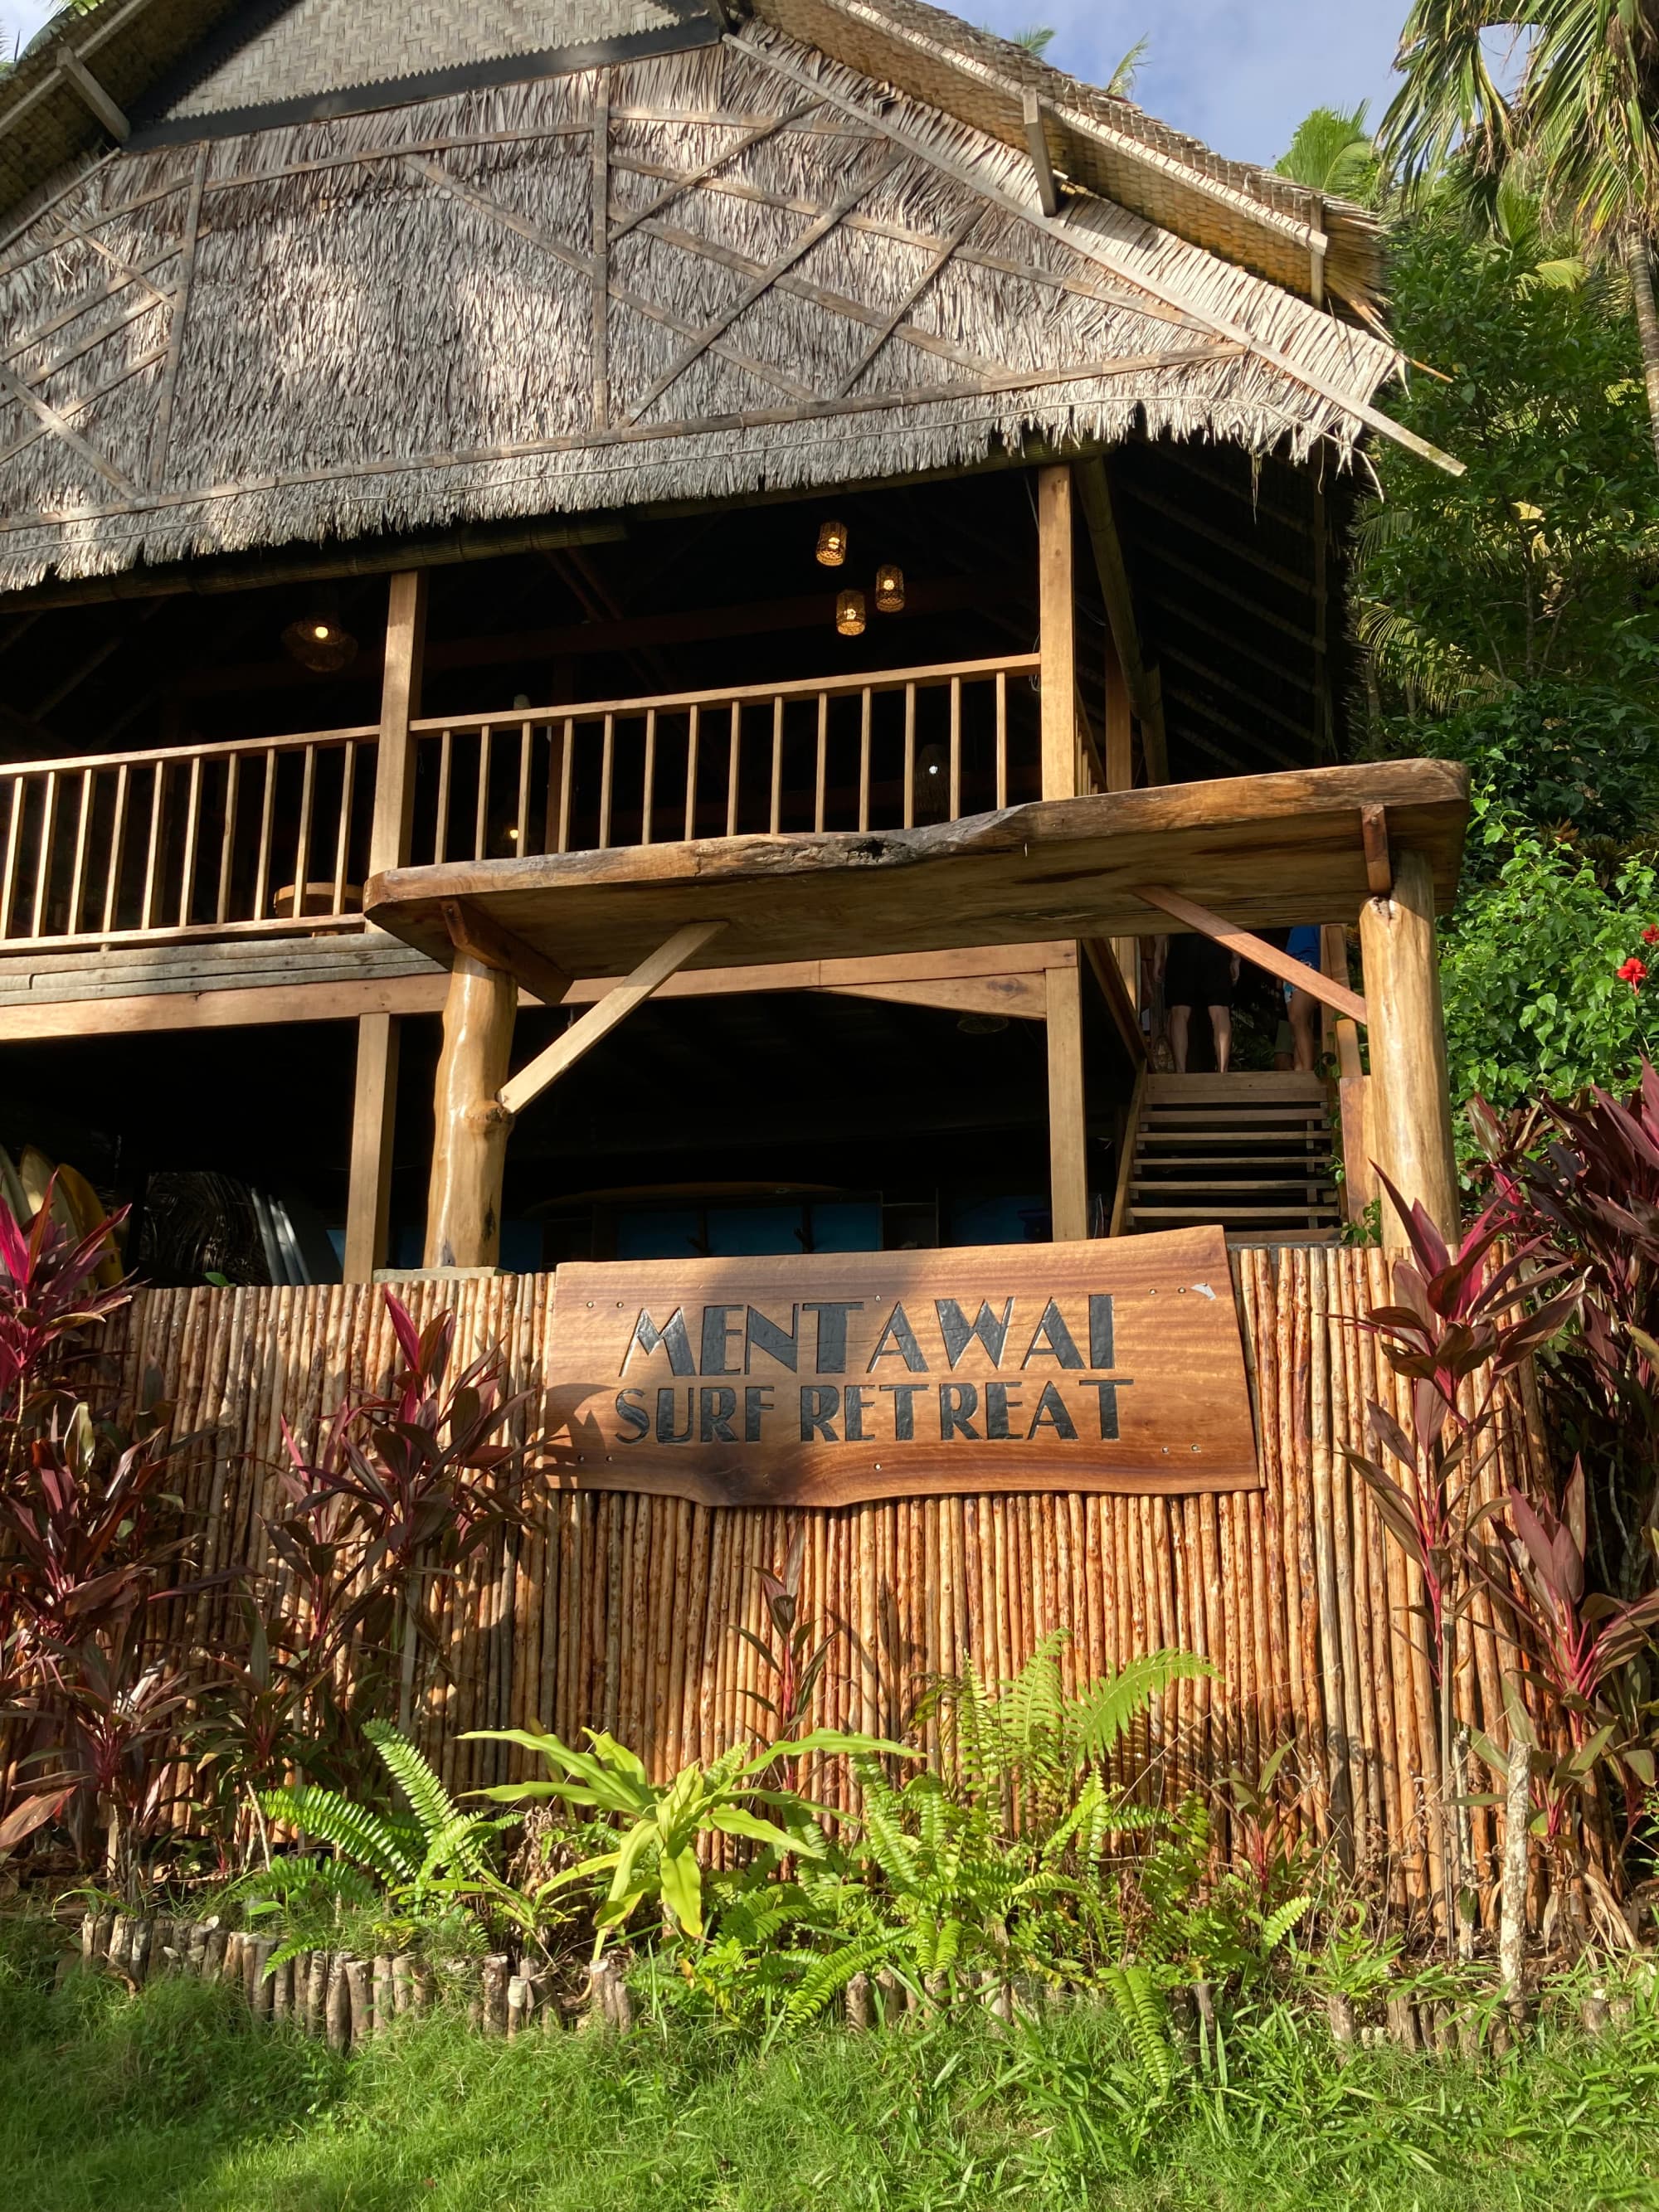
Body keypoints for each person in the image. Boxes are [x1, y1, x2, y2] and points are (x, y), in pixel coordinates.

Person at [1159, 931, 1239, 1073]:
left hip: (1183, 943)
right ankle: (1222, 1071)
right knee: (1219, 1010)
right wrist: (1236, 955)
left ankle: (1180, 1071)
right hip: (1217, 940)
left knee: (1179, 1010)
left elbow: (1162, 921)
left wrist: (1158, 952)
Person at [1284, 924, 1323, 1073]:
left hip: (1308, 962)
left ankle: (1307, 1072)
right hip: (1289, 964)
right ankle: (1299, 1069)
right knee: (1297, 1025)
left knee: (1298, 1018)